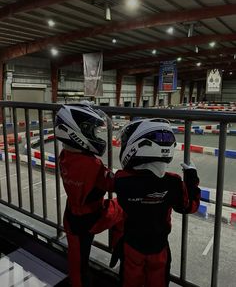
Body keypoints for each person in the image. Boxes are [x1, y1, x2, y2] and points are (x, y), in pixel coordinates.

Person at [113, 118, 200, 287]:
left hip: (132, 245)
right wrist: (192, 179)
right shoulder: (174, 183)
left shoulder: (122, 180)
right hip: (159, 248)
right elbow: (190, 206)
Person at [55, 102, 123, 287]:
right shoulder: (93, 165)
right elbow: (113, 184)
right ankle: (120, 249)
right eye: (90, 131)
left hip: (71, 218)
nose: (94, 135)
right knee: (124, 207)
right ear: (77, 133)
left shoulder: (64, 156)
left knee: (77, 264)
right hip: (93, 218)